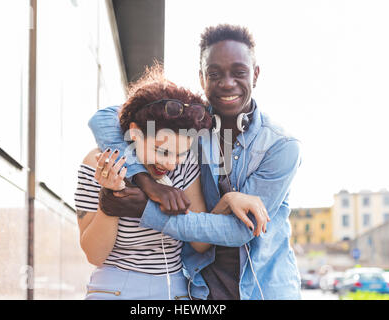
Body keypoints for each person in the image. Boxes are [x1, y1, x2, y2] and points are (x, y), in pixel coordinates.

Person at [89, 24, 302, 300]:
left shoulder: (281, 147)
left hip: (265, 290)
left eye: (239, 72)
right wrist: (146, 182)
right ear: (201, 78)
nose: (227, 83)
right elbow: (104, 118)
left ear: (256, 74)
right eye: (214, 74)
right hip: (202, 288)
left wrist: (146, 209)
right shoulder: (192, 126)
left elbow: (239, 231)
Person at [74, 66, 267, 300]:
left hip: (174, 292)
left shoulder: (185, 166)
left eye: (179, 154)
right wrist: (110, 200)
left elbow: (199, 244)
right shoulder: (99, 164)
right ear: (134, 135)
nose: (171, 164)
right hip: (113, 289)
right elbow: (95, 255)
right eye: (161, 151)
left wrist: (228, 200)